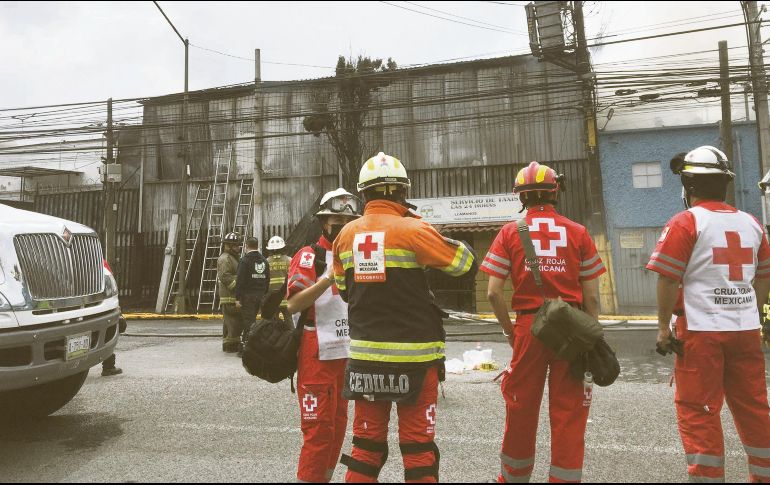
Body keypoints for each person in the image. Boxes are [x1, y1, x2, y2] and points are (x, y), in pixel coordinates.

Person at [332, 152, 477, 483]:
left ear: (364, 194)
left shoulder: (345, 236)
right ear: (401, 192)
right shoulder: (415, 230)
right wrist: (430, 232)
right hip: (415, 360)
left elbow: (344, 292)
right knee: (418, 452)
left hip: (365, 360)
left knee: (366, 450)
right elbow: (464, 264)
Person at [647, 146, 770, 483]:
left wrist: (662, 328)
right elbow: (762, 279)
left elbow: (668, 278)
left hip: (701, 332)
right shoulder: (752, 224)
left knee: (698, 411)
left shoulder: (686, 222)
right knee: (754, 408)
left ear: (689, 185)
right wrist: (749, 314)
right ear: (725, 184)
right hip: (745, 330)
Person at [482, 161, 605, 483]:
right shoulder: (578, 232)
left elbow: (494, 293)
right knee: (569, 411)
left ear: (521, 197)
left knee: (520, 407)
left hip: (528, 328)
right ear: (555, 192)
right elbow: (592, 298)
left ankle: (513, 478)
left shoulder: (510, 232)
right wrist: (590, 335)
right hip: (572, 327)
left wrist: (511, 332)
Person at [287, 188, 361, 483]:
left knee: (338, 428)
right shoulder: (309, 256)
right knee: (318, 431)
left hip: (347, 354)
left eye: (348, 220)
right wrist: (329, 276)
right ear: (323, 222)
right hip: (315, 351)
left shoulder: (357, 255)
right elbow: (293, 303)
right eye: (337, 219)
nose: (343, 225)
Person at [236, 236, 270, 352]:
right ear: (257, 246)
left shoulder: (244, 261)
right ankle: (252, 344)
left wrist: (238, 298)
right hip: (260, 295)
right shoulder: (264, 261)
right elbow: (267, 280)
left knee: (248, 322)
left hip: (248, 296)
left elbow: (240, 281)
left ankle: (247, 346)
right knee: (254, 320)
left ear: (246, 246)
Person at [217, 232, 242, 353]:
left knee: (230, 322)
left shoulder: (232, 258)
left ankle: (229, 344)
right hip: (229, 296)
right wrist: (238, 287)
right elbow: (225, 276)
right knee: (233, 322)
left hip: (231, 296)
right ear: (229, 246)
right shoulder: (225, 259)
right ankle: (231, 345)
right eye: (236, 245)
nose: (238, 247)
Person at [266, 235, 293, 323]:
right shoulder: (290, 260)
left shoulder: (266, 262)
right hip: (286, 298)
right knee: (289, 323)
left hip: (272, 299)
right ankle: (290, 337)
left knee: (273, 325)